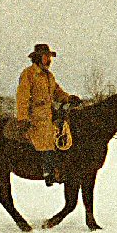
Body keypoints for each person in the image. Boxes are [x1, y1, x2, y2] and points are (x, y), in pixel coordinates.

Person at [16, 44, 81, 186]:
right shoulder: (29, 74)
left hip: (49, 113)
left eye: (50, 57)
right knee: (46, 136)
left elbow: (57, 92)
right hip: (36, 116)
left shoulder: (49, 76)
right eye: (46, 57)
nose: (49, 60)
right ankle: (48, 172)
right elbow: (23, 97)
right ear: (38, 58)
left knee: (66, 131)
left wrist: (68, 98)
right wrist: (23, 118)